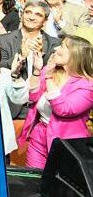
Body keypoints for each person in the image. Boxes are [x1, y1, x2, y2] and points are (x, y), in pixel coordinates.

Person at [19, 30, 93, 169]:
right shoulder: (50, 69)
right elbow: (32, 97)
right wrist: (37, 70)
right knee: (34, 180)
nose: (56, 48)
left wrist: (48, 77)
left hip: (66, 144)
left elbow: (64, 110)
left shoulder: (88, 85)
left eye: (63, 46)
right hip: (39, 135)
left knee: (58, 186)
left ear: (75, 54)